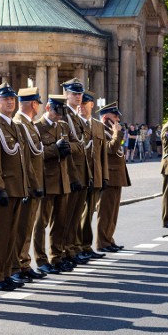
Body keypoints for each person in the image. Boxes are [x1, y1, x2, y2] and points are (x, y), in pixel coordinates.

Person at [0, 82, 33, 290]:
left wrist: (25, 185)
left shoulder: (15, 126)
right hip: (4, 189)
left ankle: (5, 273)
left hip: (17, 188)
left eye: (12, 99)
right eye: (5, 99)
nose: (10, 102)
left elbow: (22, 159)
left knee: (11, 234)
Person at [32, 94, 73, 274]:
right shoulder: (37, 128)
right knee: (40, 223)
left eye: (62, 112)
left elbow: (77, 145)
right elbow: (35, 154)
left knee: (60, 222)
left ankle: (57, 256)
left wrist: (68, 149)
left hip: (62, 181)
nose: (59, 116)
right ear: (48, 108)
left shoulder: (62, 126)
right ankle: (41, 259)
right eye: (57, 112)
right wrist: (53, 149)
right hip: (46, 181)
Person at [11, 87, 46, 282]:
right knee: (20, 228)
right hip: (26, 184)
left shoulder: (29, 125)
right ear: (33, 104)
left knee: (27, 227)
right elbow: (25, 159)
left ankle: (23, 262)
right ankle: (15, 264)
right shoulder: (20, 125)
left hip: (34, 184)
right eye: (37, 103)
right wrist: (33, 183)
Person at [60, 79, 90, 264]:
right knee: (67, 215)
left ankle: (72, 248)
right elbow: (69, 146)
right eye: (74, 93)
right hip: (71, 172)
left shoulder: (76, 117)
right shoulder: (65, 116)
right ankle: (65, 251)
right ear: (65, 94)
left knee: (75, 215)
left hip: (81, 171)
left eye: (79, 94)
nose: (78, 97)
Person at [76, 90, 108, 260]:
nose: (81, 107)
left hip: (94, 175)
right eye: (80, 104)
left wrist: (104, 177)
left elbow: (102, 153)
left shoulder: (97, 125)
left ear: (92, 105)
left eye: (85, 104)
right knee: (77, 214)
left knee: (89, 214)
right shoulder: (73, 124)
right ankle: (76, 247)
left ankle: (86, 246)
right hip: (80, 176)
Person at [96, 102, 130, 252]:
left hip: (116, 176)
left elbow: (118, 148)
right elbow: (110, 149)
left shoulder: (110, 130)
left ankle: (109, 239)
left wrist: (117, 133)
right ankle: (102, 242)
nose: (117, 118)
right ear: (105, 117)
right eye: (114, 115)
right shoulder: (100, 130)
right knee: (105, 212)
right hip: (108, 176)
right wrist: (117, 133)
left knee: (113, 212)